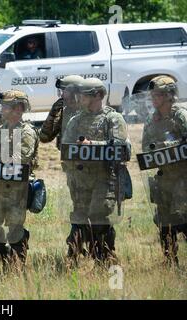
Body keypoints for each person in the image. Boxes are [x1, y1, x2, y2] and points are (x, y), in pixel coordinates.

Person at [62, 78, 129, 263]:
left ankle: (105, 256)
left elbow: (120, 148)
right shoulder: (76, 120)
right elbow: (66, 147)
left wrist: (92, 145)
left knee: (98, 218)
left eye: (84, 94)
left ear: (98, 95)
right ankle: (78, 258)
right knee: (80, 219)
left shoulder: (113, 119)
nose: (79, 98)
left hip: (106, 178)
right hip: (81, 180)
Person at [0, 89, 39, 272]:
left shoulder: (27, 131)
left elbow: (23, 156)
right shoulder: (0, 130)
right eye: (3, 106)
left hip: (17, 188)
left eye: (7, 106)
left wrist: (1, 159)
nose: (2, 109)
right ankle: (7, 260)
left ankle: (17, 266)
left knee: (15, 229)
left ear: (19, 108)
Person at [141, 75, 187, 266]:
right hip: (163, 179)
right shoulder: (152, 120)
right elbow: (146, 148)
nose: (153, 99)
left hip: (183, 177)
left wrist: (167, 145)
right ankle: (170, 262)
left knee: (184, 219)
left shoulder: (181, 116)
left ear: (169, 95)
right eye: (152, 95)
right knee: (164, 223)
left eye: (158, 95)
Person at [38, 75, 85, 149]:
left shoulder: (92, 112)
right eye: (61, 92)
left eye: (64, 92)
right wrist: (52, 114)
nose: (62, 95)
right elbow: (44, 138)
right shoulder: (65, 113)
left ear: (75, 94)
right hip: (68, 159)